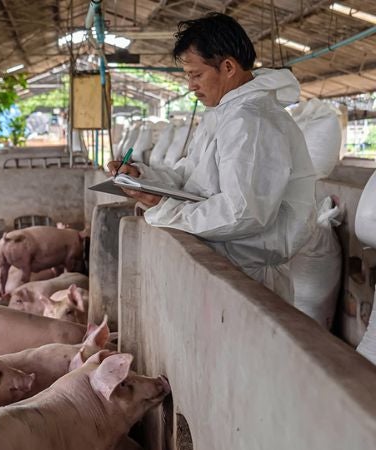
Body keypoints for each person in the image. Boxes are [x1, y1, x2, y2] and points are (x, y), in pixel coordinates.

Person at [108, 12, 316, 300]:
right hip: (228, 264)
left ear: (228, 67)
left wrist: (168, 209)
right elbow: (190, 175)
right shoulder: (224, 113)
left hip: (248, 274)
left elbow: (243, 212)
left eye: (196, 75)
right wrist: (145, 179)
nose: (191, 86)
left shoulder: (251, 120)